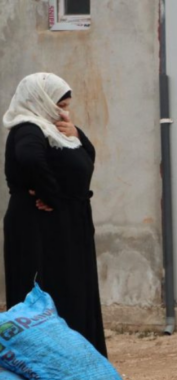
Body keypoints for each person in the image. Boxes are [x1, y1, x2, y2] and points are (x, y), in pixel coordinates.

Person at [3, 73, 107, 357]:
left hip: (68, 224)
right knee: (51, 294)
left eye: (67, 105)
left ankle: (83, 364)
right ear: (42, 101)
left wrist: (78, 135)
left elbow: (87, 158)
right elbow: (30, 158)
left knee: (76, 292)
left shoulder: (57, 130)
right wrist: (53, 197)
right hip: (40, 226)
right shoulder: (28, 128)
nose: (64, 112)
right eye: (60, 104)